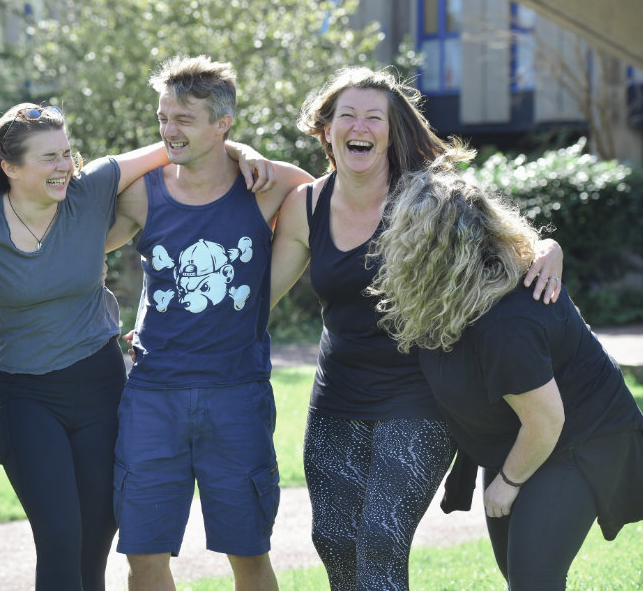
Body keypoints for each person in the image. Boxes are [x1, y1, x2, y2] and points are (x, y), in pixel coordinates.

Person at [0, 102, 275, 591]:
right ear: (10, 167)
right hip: (27, 396)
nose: (65, 167)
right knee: (59, 534)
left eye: (67, 153)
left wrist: (242, 150)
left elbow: (182, 144)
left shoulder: (91, 189)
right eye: (50, 158)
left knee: (97, 535)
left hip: (99, 383)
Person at [269, 67, 564, 590]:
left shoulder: (427, 202)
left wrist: (549, 249)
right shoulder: (306, 205)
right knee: (333, 540)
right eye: (347, 115)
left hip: (420, 397)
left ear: (392, 130)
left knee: (382, 538)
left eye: (373, 116)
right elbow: (257, 300)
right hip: (336, 398)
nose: (360, 125)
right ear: (327, 129)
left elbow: (508, 243)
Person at [366, 162, 643, 590]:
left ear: (433, 251)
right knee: (520, 577)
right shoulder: (442, 301)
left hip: (578, 439)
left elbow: (547, 420)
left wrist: (508, 483)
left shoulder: (506, 319)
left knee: (533, 580)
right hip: (516, 442)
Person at [106, 55, 313, 591]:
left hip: (237, 393)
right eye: (162, 118)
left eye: (183, 120)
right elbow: (65, 230)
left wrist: (263, 300)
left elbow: (327, 209)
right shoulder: (138, 193)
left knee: (248, 555)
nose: (168, 131)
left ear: (222, 124)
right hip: (153, 394)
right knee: (144, 556)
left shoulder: (270, 186)